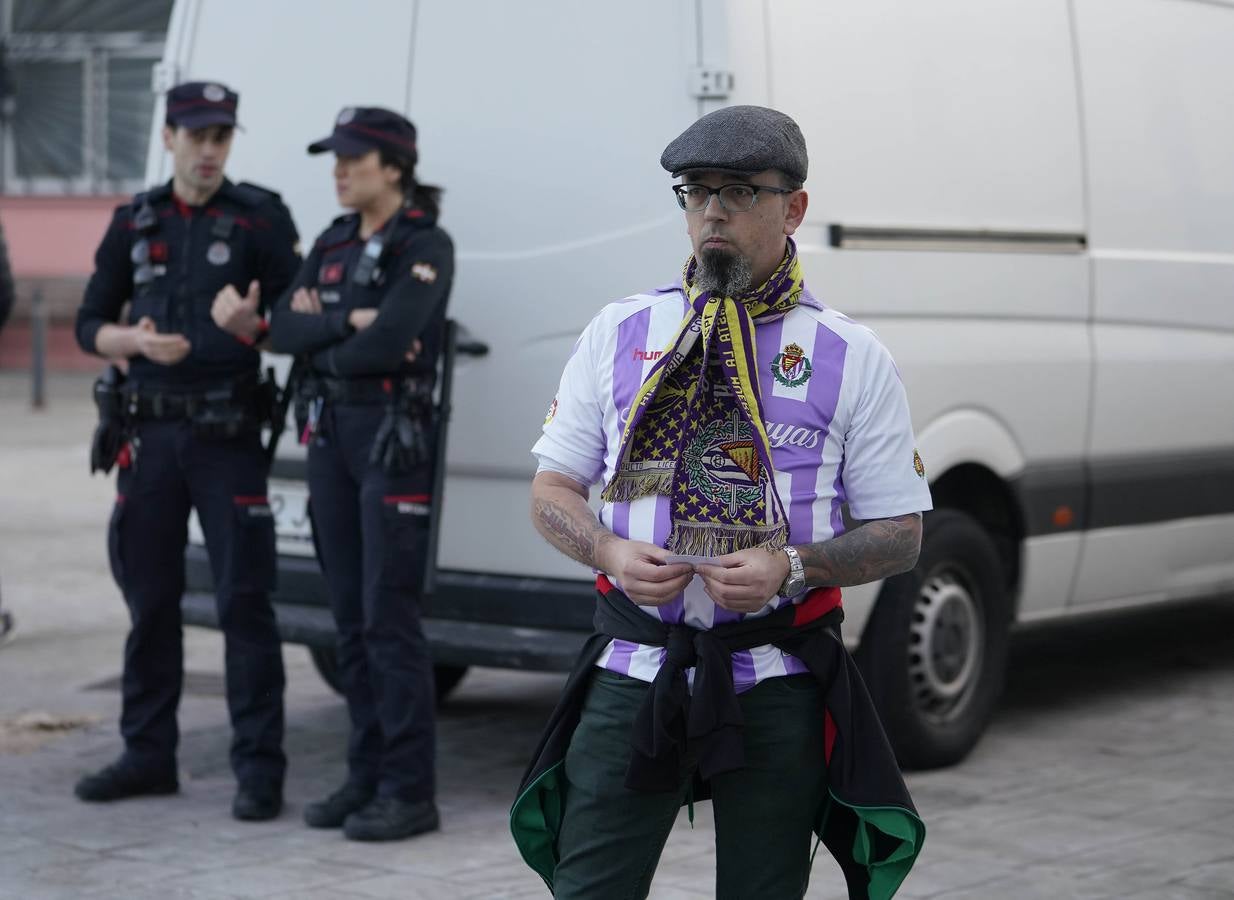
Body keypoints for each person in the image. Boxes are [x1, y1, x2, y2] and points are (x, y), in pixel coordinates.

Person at [511, 106, 933, 899]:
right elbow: (552, 488)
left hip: (776, 679)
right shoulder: (621, 330)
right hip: (635, 666)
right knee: (588, 884)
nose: (711, 212)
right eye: (695, 191)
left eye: (738, 191)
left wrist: (795, 565)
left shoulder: (849, 354)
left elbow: (901, 534)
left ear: (793, 207)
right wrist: (606, 551)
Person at [73, 81, 299, 821]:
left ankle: (259, 769)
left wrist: (251, 327)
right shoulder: (133, 222)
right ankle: (147, 754)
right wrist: (131, 341)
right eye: (196, 136)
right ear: (169, 136)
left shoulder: (259, 218)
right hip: (150, 436)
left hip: (226, 438)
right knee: (150, 603)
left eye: (221, 137)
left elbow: (299, 322)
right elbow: (88, 325)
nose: (209, 150)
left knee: (245, 604)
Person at [268, 107, 453, 842]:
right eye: (335, 159)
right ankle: (366, 775)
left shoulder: (425, 241)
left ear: (394, 166)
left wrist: (329, 336)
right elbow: (281, 328)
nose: (339, 171)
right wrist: (342, 326)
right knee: (348, 614)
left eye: (352, 158)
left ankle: (410, 792)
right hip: (330, 433)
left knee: (388, 615)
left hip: (389, 437)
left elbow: (392, 341)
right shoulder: (334, 240)